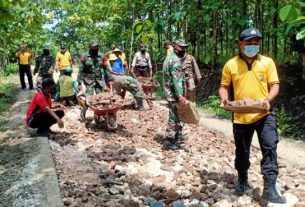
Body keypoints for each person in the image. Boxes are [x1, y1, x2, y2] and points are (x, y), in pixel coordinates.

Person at [218, 28, 286, 204]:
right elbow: (224, 86)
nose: (253, 46)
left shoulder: (267, 62)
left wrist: (267, 99)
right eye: (249, 43)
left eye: (256, 43)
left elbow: (275, 85)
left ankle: (270, 188)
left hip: (264, 114)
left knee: (270, 147)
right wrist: (225, 100)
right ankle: (242, 178)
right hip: (241, 116)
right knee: (242, 152)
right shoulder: (231, 64)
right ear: (241, 44)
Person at [162, 39, 188, 150]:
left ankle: (175, 137)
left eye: (185, 47)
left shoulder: (168, 58)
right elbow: (177, 81)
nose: (184, 49)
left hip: (169, 93)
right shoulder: (175, 61)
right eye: (181, 47)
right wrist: (181, 96)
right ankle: (170, 141)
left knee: (174, 115)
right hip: (174, 94)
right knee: (174, 117)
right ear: (176, 47)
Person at [77, 41, 106, 121]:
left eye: (97, 47)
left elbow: (105, 68)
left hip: (99, 81)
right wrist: (79, 82)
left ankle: (97, 116)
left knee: (100, 98)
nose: (96, 49)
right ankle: (82, 114)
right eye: (94, 47)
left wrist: (109, 80)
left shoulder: (101, 56)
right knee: (89, 99)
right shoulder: (84, 56)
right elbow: (81, 70)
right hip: (88, 80)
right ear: (89, 47)